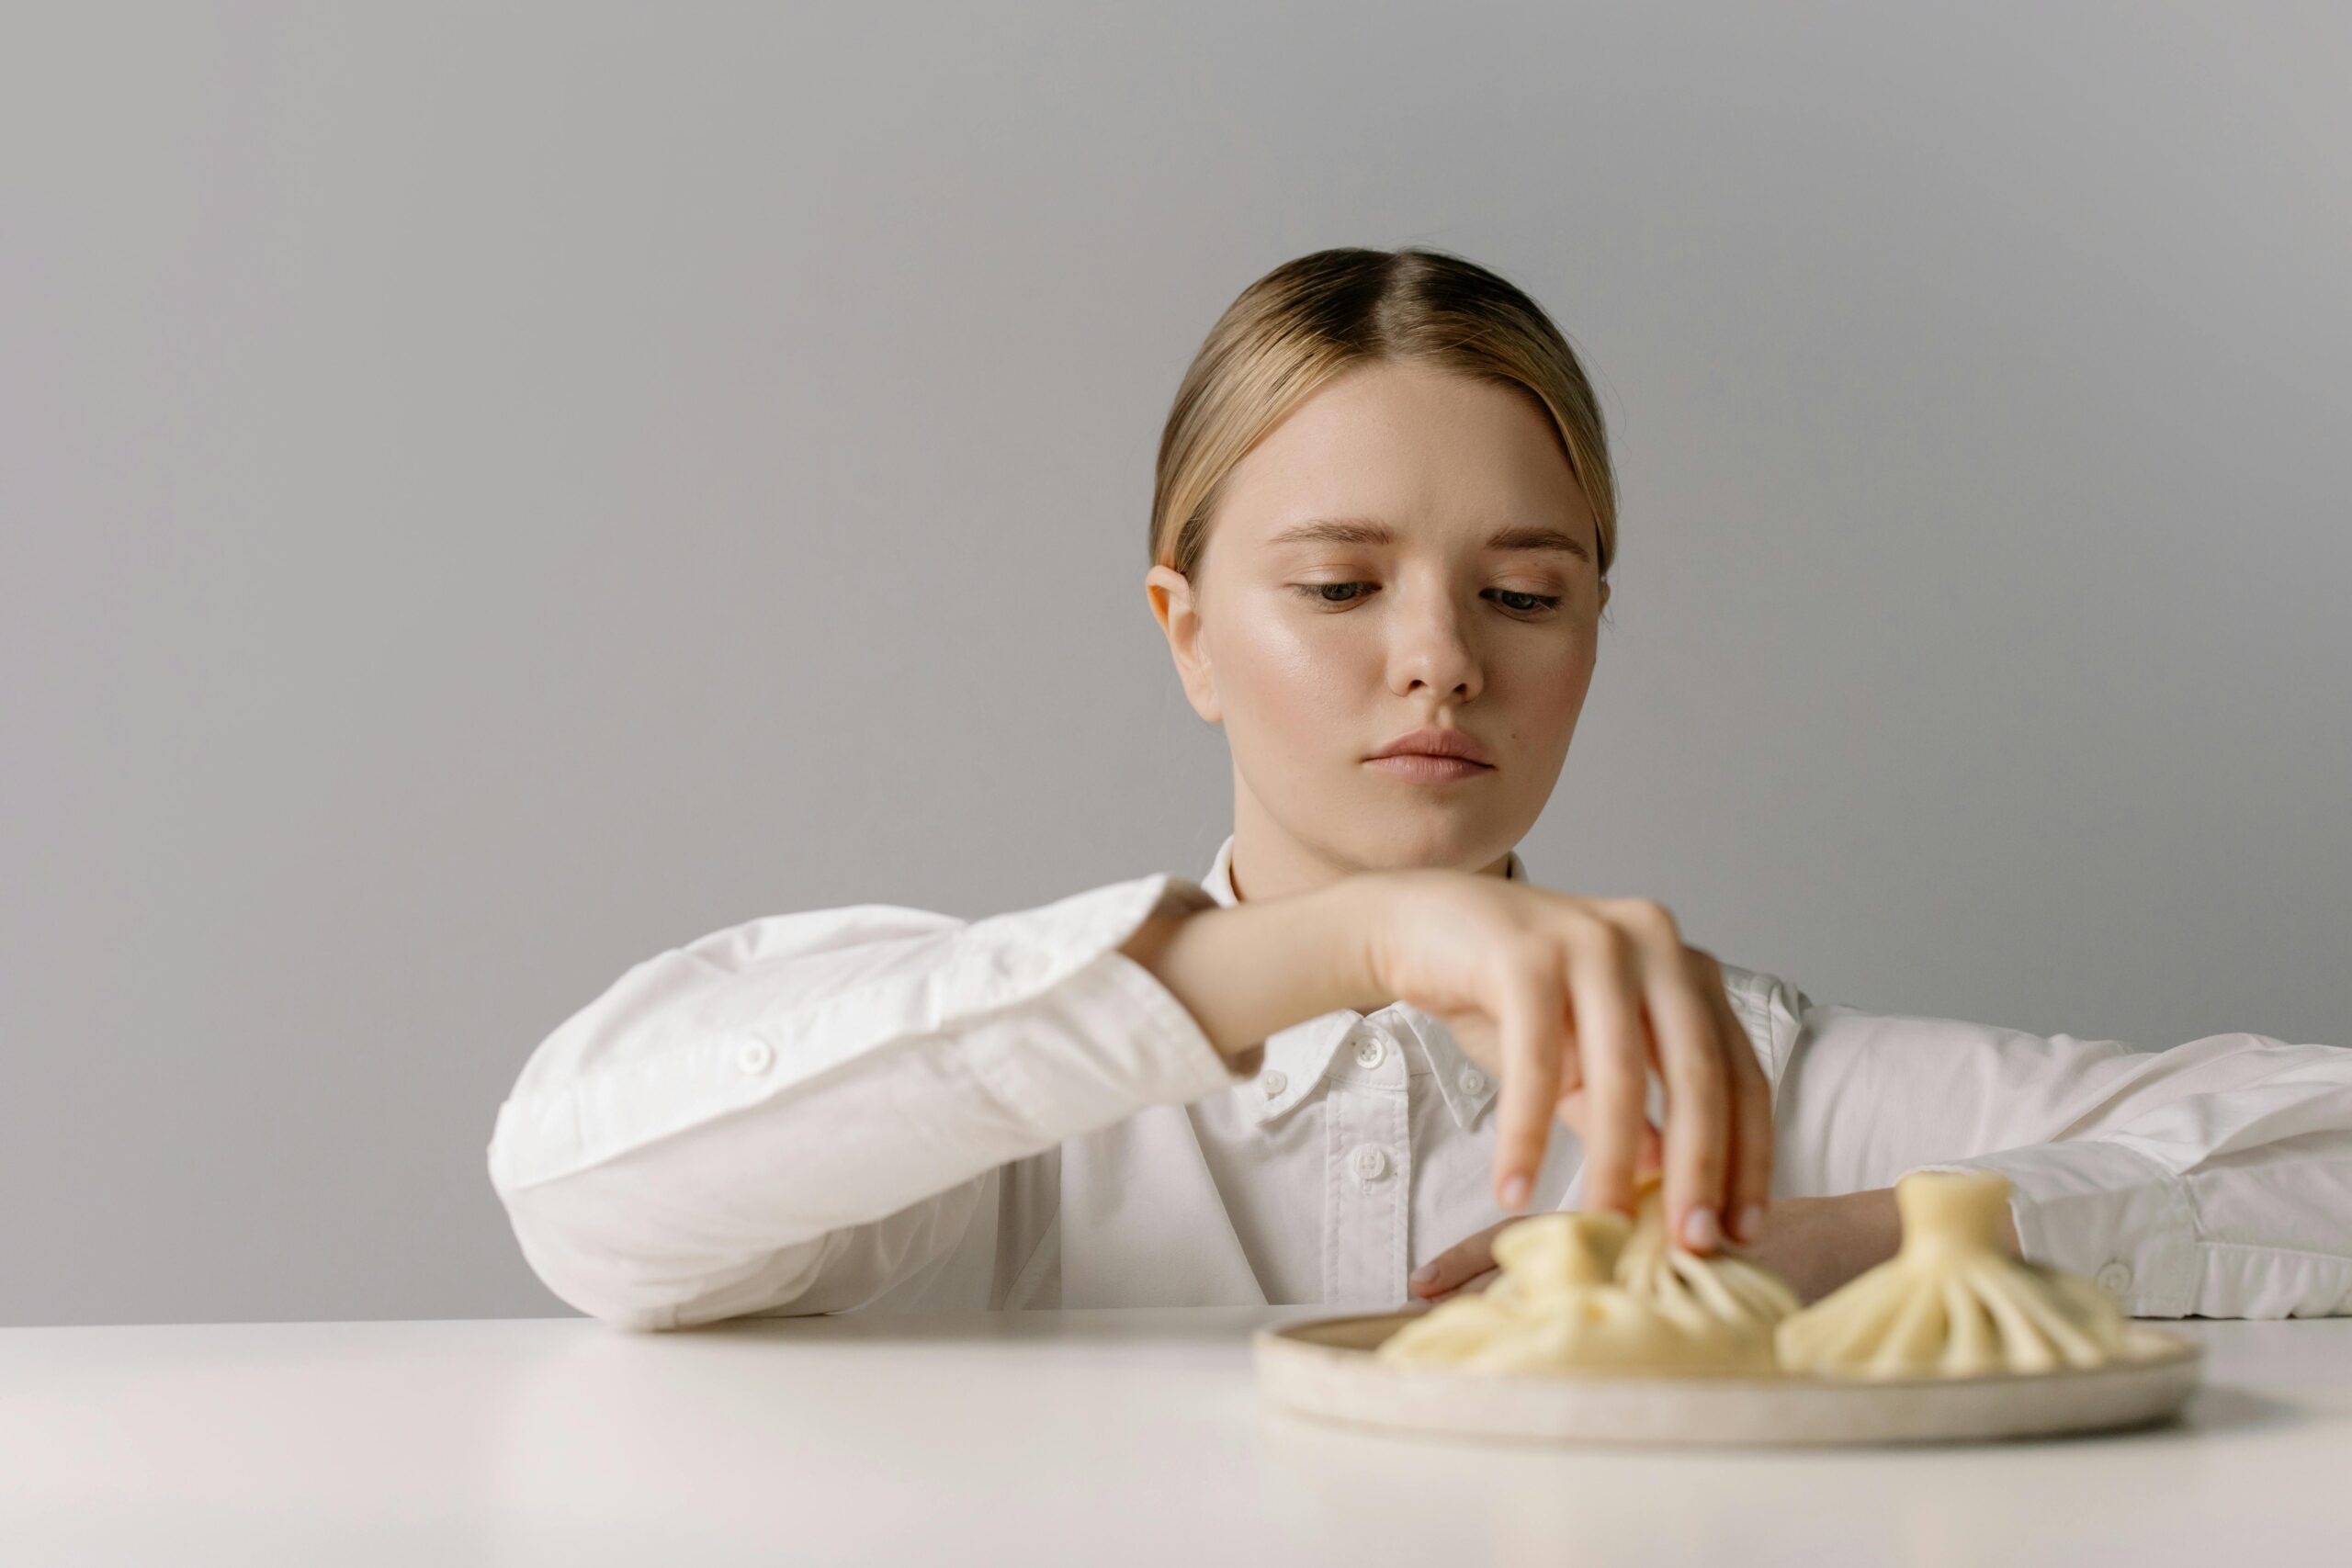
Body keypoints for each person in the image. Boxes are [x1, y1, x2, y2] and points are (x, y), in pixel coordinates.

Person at [486, 246, 2352, 1331]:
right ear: (1186, 627)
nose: (1440, 655)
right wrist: (1347, 938)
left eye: (1520, 591)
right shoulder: (1012, 1118)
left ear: (1590, 628)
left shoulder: (1759, 1082)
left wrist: (1873, 1237)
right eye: (1335, 583)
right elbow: (585, 1186)